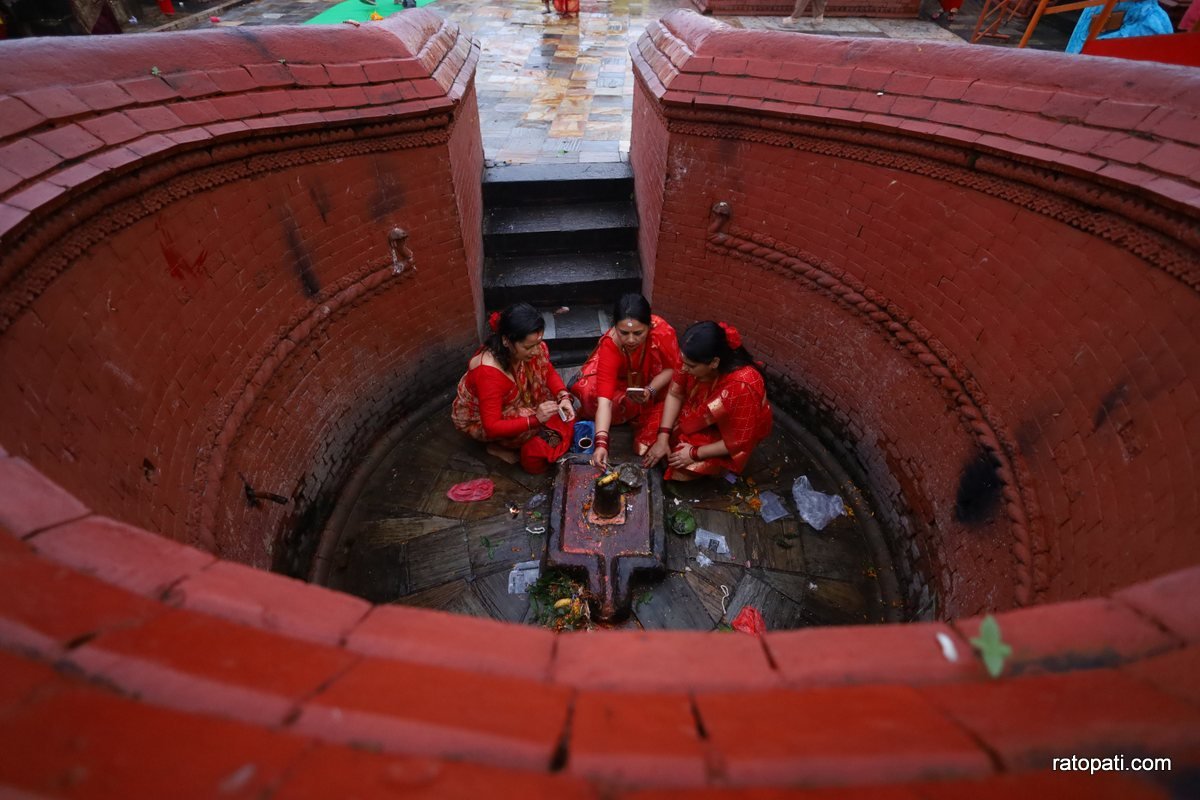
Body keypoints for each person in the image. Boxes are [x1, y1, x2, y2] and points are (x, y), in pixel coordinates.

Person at [640, 321, 773, 481]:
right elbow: (675, 394)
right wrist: (663, 438)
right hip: (697, 410)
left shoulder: (742, 385)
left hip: (729, 431)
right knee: (648, 440)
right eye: (683, 362)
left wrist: (693, 453)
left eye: (691, 366)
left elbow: (739, 440)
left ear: (714, 363)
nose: (684, 368)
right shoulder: (688, 360)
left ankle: (719, 467)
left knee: (681, 469)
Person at [452, 303, 575, 474]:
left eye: (538, 343)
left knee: (552, 404)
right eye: (527, 347)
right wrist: (535, 420)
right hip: (480, 418)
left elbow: (548, 371)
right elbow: (492, 426)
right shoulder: (489, 373)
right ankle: (494, 447)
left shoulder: (532, 349)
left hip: (514, 400)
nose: (535, 351)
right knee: (535, 421)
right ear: (506, 341)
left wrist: (564, 397)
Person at [572, 293, 681, 470]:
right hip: (621, 381)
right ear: (615, 327)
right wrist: (601, 443)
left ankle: (639, 410)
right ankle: (632, 410)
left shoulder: (663, 332)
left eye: (638, 333)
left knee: (644, 443)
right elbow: (605, 402)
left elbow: (672, 368)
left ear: (650, 326)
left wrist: (650, 390)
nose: (631, 340)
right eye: (624, 333)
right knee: (590, 394)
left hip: (655, 380)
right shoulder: (611, 344)